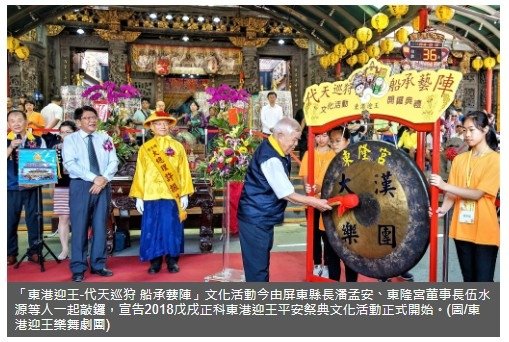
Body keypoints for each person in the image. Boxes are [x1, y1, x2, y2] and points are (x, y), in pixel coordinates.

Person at [237, 117, 332, 282]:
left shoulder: (278, 150)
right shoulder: (271, 158)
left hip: (262, 216)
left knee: (260, 263)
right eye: (294, 139)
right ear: (280, 135)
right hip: (255, 218)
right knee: (257, 270)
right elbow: (287, 193)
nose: (295, 144)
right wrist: (315, 202)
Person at [429, 110, 499, 282]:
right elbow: (452, 193)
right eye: (464, 130)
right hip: (462, 229)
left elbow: (477, 194)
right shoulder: (460, 160)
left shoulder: (496, 160)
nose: (467, 134)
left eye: (472, 130)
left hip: (484, 229)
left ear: (485, 130)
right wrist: (441, 210)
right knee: (468, 281)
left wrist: (443, 185)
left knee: (483, 283)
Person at [130, 111, 194, 274]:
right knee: (153, 228)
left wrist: (185, 193)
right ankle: (155, 261)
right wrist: (139, 196)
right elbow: (140, 172)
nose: (163, 126)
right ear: (151, 127)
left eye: (165, 123)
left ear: (170, 125)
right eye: (158, 123)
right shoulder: (145, 148)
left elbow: (184, 171)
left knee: (171, 227)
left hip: (171, 195)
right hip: (151, 194)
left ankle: (172, 260)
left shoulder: (178, 146)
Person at [62, 106, 119, 282]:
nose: (92, 120)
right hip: (81, 186)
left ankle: (99, 264)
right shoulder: (71, 140)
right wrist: (94, 178)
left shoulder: (105, 138)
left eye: (94, 117)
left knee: (101, 226)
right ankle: (78, 267)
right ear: (78, 122)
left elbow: (113, 161)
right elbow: (70, 164)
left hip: (103, 185)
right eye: (87, 118)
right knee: (79, 227)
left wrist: (103, 179)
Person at [7, 110, 47, 266]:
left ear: (26, 122)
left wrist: (36, 181)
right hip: (10, 187)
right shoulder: (5, 140)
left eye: (19, 120)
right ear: (8, 124)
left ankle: (35, 251)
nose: (16, 123)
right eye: (12, 121)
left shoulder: (37, 140)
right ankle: (10, 253)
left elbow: (45, 164)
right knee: (9, 221)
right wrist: (11, 147)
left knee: (35, 220)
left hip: (32, 187)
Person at [298, 131, 336, 277]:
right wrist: (309, 193)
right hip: (312, 201)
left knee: (327, 235)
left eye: (325, 136)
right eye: (318, 136)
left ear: (329, 137)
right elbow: (305, 177)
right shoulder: (309, 154)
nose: (321, 139)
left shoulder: (333, 154)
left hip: (327, 201)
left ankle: (326, 265)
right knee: (314, 236)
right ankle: (316, 263)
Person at [325, 126, 359, 282]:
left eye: (338, 141)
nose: (334, 144)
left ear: (347, 141)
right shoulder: (327, 158)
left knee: (350, 258)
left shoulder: (357, 161)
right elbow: (322, 186)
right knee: (331, 256)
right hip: (330, 217)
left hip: (351, 218)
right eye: (332, 141)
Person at [53, 120, 78, 260]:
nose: (65, 135)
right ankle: (64, 249)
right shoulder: (56, 148)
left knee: (79, 219)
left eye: (68, 132)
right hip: (61, 186)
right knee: (63, 217)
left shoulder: (80, 147)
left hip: (78, 186)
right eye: (62, 132)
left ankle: (78, 248)